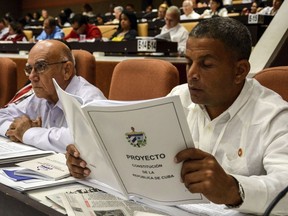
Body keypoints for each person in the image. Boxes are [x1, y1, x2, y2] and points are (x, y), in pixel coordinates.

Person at [65, 17, 288, 214]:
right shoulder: (179, 98)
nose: (191, 74)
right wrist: (89, 160)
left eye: (206, 65)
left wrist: (233, 189)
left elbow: (285, 188)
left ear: (240, 71)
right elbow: (138, 155)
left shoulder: (274, 115)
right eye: (189, 62)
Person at [0, 40, 105, 153]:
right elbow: (2, 115)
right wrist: (15, 131)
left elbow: (88, 139)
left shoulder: (89, 98)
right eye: (29, 69)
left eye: (41, 67)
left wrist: (28, 133)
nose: (31, 77)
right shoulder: (40, 95)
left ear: (66, 70)